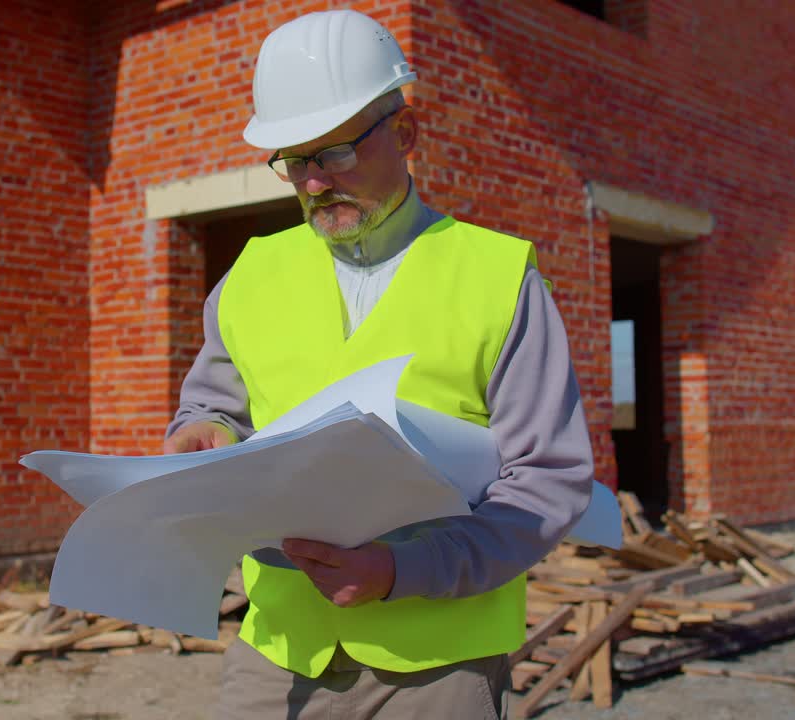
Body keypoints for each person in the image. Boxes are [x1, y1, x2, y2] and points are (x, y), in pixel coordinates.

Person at [163, 9, 594, 719]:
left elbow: (548, 481)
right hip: (278, 650)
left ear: (406, 133)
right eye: (294, 160)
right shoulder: (252, 274)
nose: (312, 183)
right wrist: (200, 431)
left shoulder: (496, 277)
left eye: (334, 153)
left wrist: (401, 571)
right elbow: (213, 407)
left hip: (438, 667)